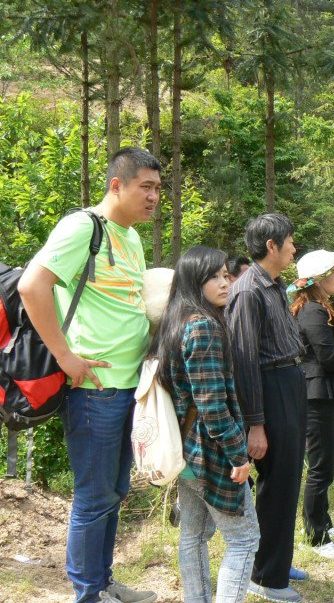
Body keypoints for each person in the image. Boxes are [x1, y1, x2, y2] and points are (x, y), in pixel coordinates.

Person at [18, 147, 161, 603]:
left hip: (129, 387)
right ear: (116, 185)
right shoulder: (83, 227)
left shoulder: (131, 238)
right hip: (95, 389)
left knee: (114, 490)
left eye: (158, 189)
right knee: (94, 495)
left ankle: (102, 581)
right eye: (146, 187)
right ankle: (87, 592)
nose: (154, 197)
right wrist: (64, 355)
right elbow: (31, 286)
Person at [152, 246, 258, 603]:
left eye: (226, 274)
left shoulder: (176, 321)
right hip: (211, 452)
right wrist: (238, 455)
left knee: (193, 536)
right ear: (193, 281)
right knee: (244, 540)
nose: (225, 283)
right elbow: (212, 406)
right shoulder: (203, 327)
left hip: (186, 450)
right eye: (213, 277)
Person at [226, 214, 305, 603]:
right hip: (270, 389)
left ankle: (277, 562)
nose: (294, 247)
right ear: (271, 245)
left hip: (288, 383)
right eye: (289, 241)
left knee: (287, 481)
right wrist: (255, 423)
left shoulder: (273, 286)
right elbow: (244, 362)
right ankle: (266, 577)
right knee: (277, 484)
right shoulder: (248, 291)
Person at [288, 249, 334, 560]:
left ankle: (323, 522)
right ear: (319, 280)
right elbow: (328, 357)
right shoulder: (312, 312)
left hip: (327, 392)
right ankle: (316, 536)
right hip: (318, 395)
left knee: (325, 464)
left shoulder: (318, 308)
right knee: (320, 467)